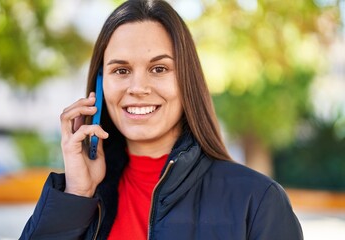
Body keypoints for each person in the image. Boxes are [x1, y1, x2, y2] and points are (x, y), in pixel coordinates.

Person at [20, 0, 303, 239]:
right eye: (121, 70)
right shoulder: (79, 197)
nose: (138, 87)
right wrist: (77, 194)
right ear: (100, 86)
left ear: (187, 80)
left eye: (158, 68)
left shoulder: (258, 200)